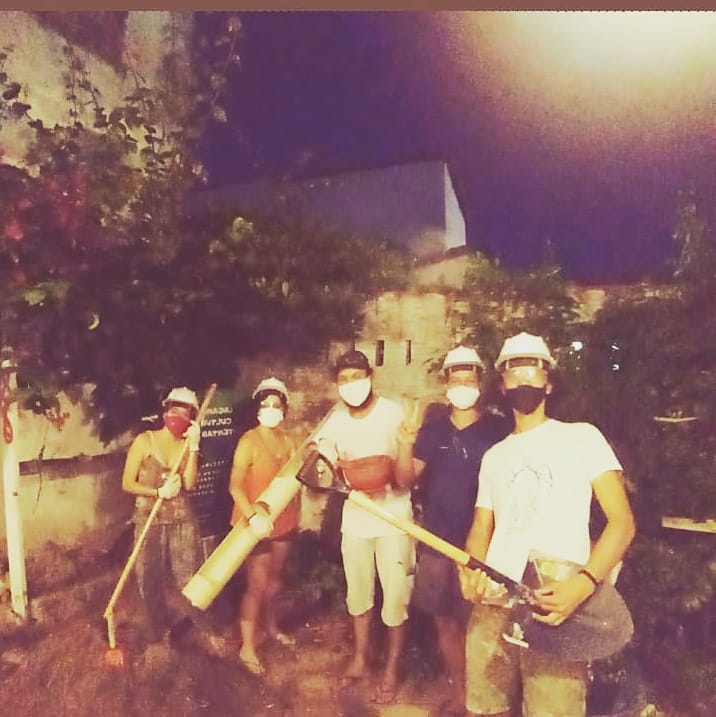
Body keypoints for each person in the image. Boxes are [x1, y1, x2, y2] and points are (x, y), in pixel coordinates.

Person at [459, 332, 636, 717]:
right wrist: (471, 568)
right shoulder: (494, 456)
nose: (523, 378)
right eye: (513, 370)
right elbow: (481, 528)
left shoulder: (582, 437)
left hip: (556, 606)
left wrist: (583, 584)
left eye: (533, 369)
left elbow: (622, 523)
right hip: (494, 604)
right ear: (502, 385)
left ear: (549, 382)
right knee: (483, 708)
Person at [394, 345, 510, 716]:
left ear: (480, 382)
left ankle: (485, 700)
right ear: (446, 383)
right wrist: (404, 445)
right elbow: (404, 479)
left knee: (481, 625)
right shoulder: (432, 429)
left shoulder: (498, 430)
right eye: (455, 379)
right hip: (437, 544)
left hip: (483, 547)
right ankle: (460, 693)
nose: (462, 386)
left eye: (469, 379)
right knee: (445, 622)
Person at [315, 349, 414, 703]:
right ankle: (360, 658)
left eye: (357, 377)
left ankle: (392, 667)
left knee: (396, 596)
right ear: (337, 384)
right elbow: (322, 463)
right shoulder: (335, 421)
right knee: (358, 593)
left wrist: (388, 470)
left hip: (394, 518)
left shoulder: (393, 413)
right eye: (344, 379)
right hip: (356, 518)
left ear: (370, 377)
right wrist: (326, 466)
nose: (351, 384)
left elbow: (405, 474)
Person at [121, 386, 221, 650]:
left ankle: (201, 628)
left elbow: (189, 483)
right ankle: (156, 635)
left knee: (191, 577)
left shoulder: (186, 446)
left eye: (185, 412)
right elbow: (127, 483)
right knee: (148, 577)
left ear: (192, 418)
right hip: (149, 519)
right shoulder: (145, 441)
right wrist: (157, 492)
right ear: (165, 411)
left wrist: (195, 447)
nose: (178, 416)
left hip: (181, 519)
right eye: (174, 409)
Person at [229, 376, 299, 676]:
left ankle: (270, 626)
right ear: (257, 409)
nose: (271, 410)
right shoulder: (248, 441)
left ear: (284, 410)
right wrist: (252, 516)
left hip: (283, 520)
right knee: (256, 585)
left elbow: (298, 475)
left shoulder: (288, 441)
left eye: (277, 405)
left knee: (274, 581)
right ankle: (247, 646)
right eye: (266, 405)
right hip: (254, 523)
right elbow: (234, 485)